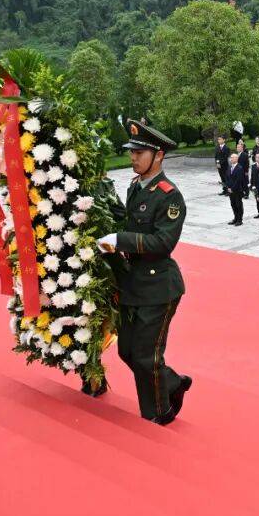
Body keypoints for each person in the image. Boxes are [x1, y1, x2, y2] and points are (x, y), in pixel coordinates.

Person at [96, 121, 192, 424]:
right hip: (133, 284)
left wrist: (120, 240)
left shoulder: (169, 195)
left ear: (158, 155)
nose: (133, 158)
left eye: (140, 152)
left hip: (158, 287)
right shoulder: (136, 187)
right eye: (132, 152)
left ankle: (158, 414)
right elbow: (130, 221)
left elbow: (163, 242)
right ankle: (173, 383)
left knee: (146, 357)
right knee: (127, 351)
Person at [224, 153, 246, 226]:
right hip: (230, 190)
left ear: (236, 159)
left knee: (238, 205)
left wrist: (232, 188)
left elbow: (238, 180)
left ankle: (240, 220)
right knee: (233, 204)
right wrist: (228, 187)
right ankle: (235, 218)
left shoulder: (240, 168)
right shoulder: (229, 167)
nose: (231, 159)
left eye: (233, 157)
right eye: (231, 157)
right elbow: (227, 177)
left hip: (237, 190)